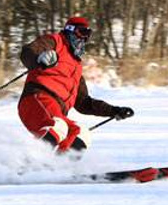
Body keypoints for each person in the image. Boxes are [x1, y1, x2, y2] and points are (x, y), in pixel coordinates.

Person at [18, 16, 134, 153]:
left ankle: (59, 167)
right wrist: (40, 57)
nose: (83, 39)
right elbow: (29, 51)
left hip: (56, 111)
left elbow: (84, 103)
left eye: (87, 36)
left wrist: (113, 110)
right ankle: (29, 163)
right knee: (58, 126)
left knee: (81, 134)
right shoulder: (55, 41)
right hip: (37, 100)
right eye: (82, 33)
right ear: (70, 30)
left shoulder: (76, 68)